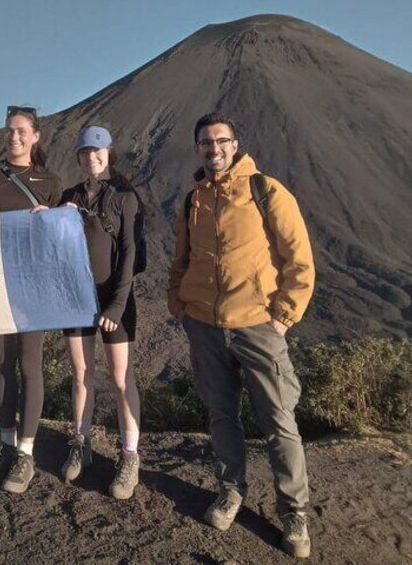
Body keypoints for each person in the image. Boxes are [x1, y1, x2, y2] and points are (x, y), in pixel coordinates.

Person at [168, 112, 315, 558]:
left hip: (258, 327)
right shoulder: (194, 198)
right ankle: (231, 490)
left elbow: (299, 260)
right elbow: (181, 257)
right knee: (221, 416)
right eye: (205, 143)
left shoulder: (265, 191)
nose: (214, 149)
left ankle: (294, 512)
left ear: (235, 144)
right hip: (207, 329)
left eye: (221, 141)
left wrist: (282, 318)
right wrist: (180, 304)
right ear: (198, 149)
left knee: (279, 422)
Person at [0, 106, 62, 493]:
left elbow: (62, 237)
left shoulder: (50, 182)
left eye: (22, 131)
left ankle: (26, 453)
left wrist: (50, 217)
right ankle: (5, 446)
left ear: (36, 136)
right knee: (2, 364)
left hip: (33, 285)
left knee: (29, 364)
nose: (15, 137)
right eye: (9, 131)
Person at [59, 126, 141, 499]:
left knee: (122, 380)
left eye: (98, 151)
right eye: (85, 152)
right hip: (78, 299)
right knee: (81, 373)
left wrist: (117, 305)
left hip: (115, 301)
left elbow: (129, 257)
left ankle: (129, 456)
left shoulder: (125, 198)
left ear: (108, 154)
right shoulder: (69, 197)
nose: (92, 158)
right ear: (79, 157)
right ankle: (81, 443)